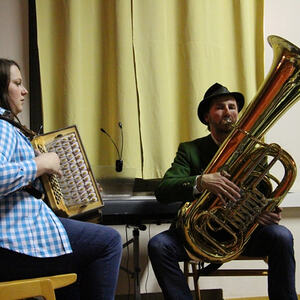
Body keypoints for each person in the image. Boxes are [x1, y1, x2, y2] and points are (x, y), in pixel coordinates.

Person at [148, 83, 297, 300]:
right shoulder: (190, 150)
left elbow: (263, 195)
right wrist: (201, 181)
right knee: (159, 245)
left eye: (232, 107)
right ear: (207, 117)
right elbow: (163, 191)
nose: (228, 111)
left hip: (243, 234)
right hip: (197, 234)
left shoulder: (254, 151)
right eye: (220, 107)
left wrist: (265, 213)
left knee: (281, 236)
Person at [0, 58, 122, 300]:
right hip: (12, 243)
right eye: (17, 83)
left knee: (78, 266)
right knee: (109, 241)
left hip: (14, 240)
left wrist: (78, 193)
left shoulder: (9, 127)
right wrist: (40, 164)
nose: (25, 90)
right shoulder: (2, 128)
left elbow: (21, 191)